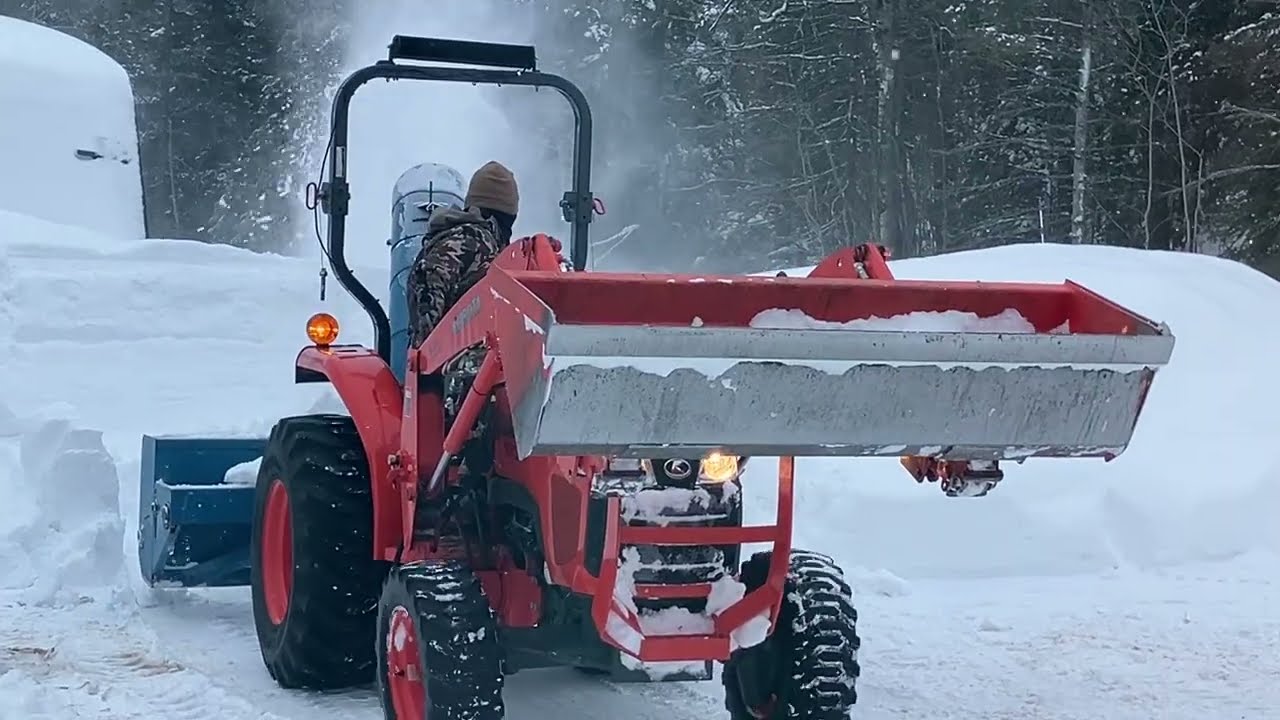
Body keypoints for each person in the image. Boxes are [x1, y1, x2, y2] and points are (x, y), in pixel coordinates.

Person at [406, 160, 519, 349]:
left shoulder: (477, 241)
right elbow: (429, 291)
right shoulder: (469, 240)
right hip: (453, 371)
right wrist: (434, 355)